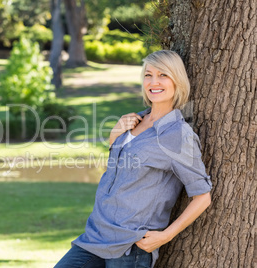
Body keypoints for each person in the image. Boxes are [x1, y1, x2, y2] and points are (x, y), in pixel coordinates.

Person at [54, 50, 212, 268]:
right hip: (95, 236)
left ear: (177, 80)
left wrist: (165, 236)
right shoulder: (134, 120)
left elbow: (202, 196)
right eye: (148, 75)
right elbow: (120, 173)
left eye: (163, 75)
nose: (153, 82)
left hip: (131, 246)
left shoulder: (178, 135)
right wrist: (114, 137)